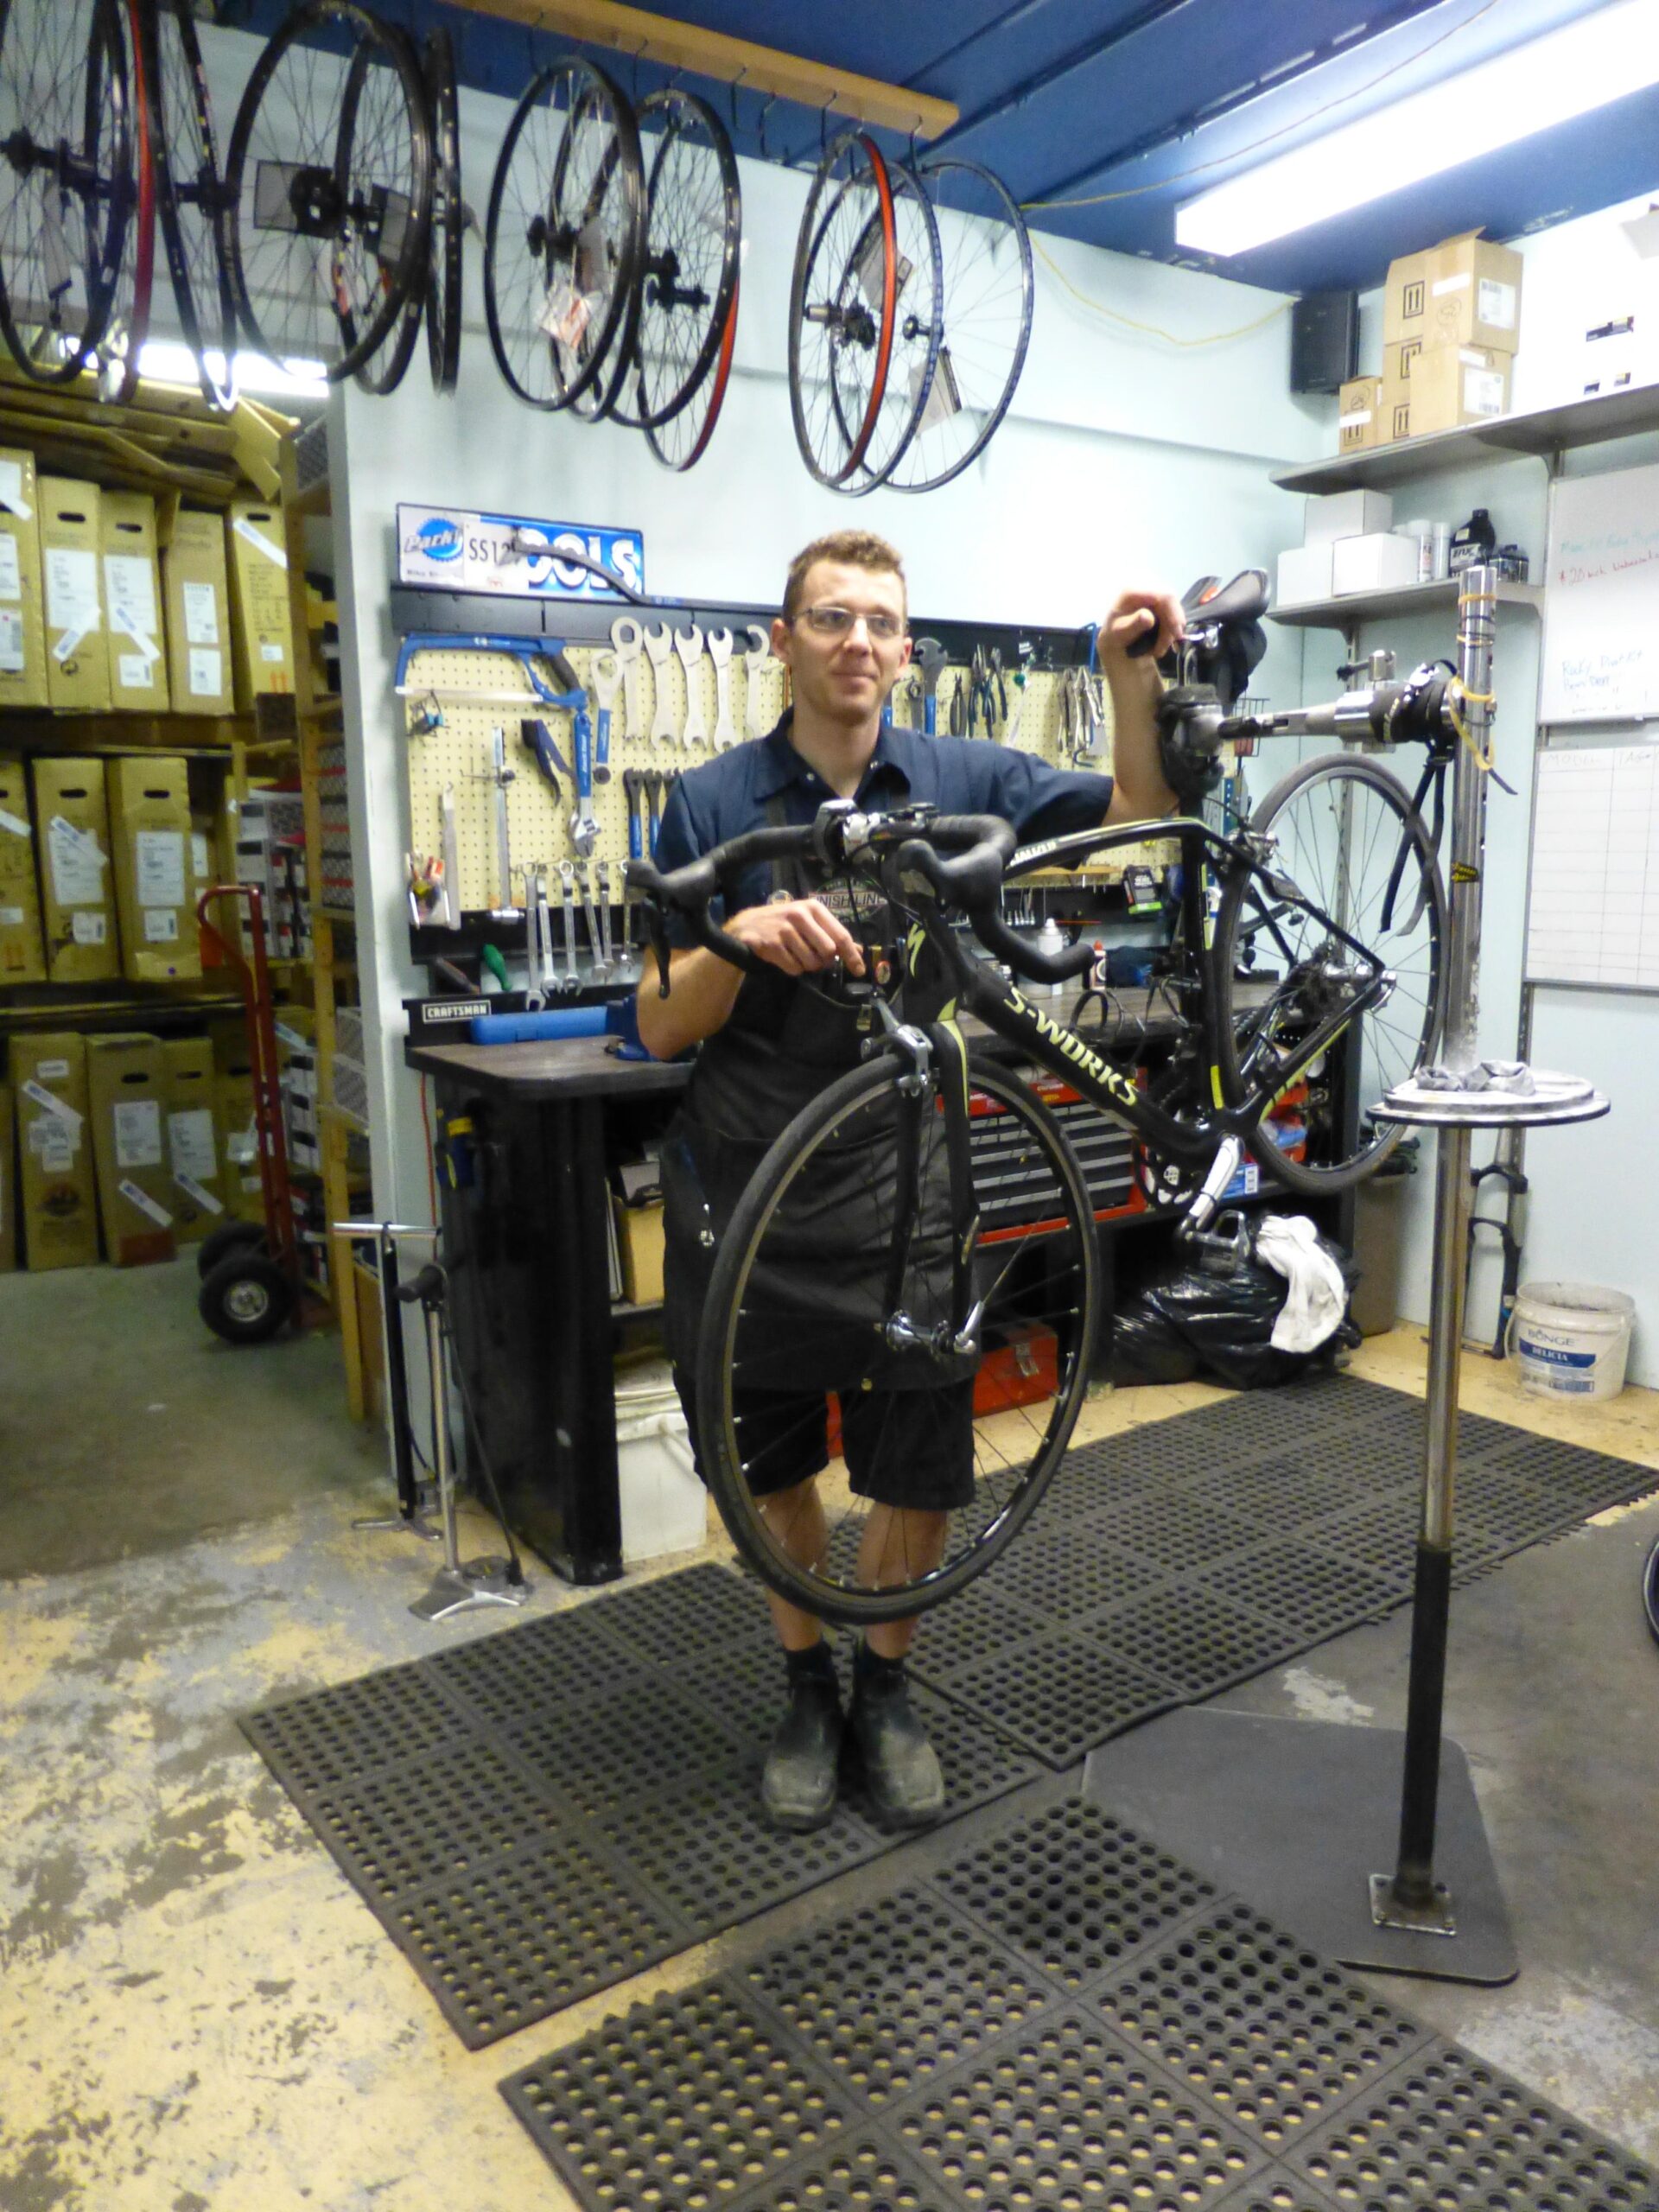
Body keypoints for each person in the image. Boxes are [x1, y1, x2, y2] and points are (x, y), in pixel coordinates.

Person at [637, 530, 1182, 1834]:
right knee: (764, 1458)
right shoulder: (711, 804)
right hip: (756, 1182)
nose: (859, 643)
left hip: (912, 1183)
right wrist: (739, 942)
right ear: (784, 639)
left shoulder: (961, 778)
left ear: (908, 648)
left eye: (881, 621)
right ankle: (802, 1684)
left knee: (918, 1467)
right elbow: (659, 1023)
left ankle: (884, 1683)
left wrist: (1127, 685)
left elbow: (1137, 822)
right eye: (831, 618)